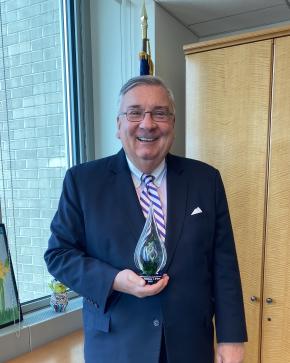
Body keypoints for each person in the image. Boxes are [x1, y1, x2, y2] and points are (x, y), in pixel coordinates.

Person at [44, 75, 247, 363]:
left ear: (173, 124)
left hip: (191, 346)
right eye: (135, 112)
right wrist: (114, 280)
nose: (147, 123)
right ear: (118, 125)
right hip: (116, 347)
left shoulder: (206, 180)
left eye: (160, 113)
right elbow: (59, 255)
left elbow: (224, 263)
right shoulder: (83, 182)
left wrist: (231, 337)